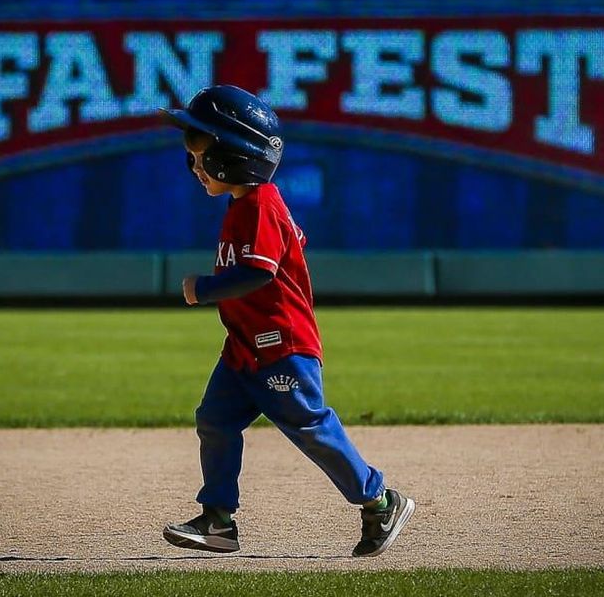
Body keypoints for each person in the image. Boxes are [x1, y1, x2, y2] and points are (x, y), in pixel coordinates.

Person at [159, 84, 415, 558]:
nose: (192, 160)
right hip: (243, 347)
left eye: (199, 146)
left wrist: (204, 290)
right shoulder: (244, 204)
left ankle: (379, 501)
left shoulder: (259, 204)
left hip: (282, 347)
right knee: (214, 420)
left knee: (310, 428)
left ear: (236, 153)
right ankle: (218, 520)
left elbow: (259, 272)